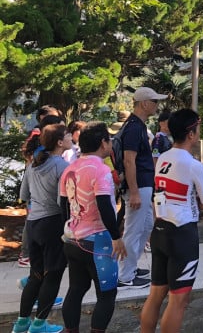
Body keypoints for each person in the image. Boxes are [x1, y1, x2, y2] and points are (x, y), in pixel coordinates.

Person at [140, 109, 203, 333]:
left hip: (160, 230)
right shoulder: (194, 164)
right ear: (191, 134)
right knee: (178, 301)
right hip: (182, 235)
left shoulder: (162, 157)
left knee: (155, 295)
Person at [59, 122, 127, 333]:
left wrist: (69, 229)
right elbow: (105, 205)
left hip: (72, 239)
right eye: (109, 139)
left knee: (76, 290)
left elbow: (64, 206)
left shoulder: (69, 169)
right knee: (107, 294)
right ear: (102, 143)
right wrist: (116, 237)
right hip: (97, 242)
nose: (111, 144)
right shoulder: (101, 169)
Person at [13, 124, 71, 333]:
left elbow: (24, 195)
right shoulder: (62, 166)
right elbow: (63, 200)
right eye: (67, 135)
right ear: (59, 142)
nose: (71, 137)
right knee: (53, 274)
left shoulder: (33, 164)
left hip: (34, 223)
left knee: (36, 274)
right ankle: (39, 324)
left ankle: (21, 323)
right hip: (52, 222)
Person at [117, 86, 167, 290]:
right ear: (144, 103)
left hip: (145, 184)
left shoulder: (135, 125)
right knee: (134, 230)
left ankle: (131, 267)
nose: (157, 105)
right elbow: (129, 161)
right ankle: (125, 276)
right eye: (154, 101)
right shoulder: (134, 128)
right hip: (139, 185)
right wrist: (135, 191)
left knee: (145, 227)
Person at [18, 106, 62, 269]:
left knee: (39, 270)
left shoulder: (38, 158)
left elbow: (25, 192)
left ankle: (29, 258)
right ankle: (26, 254)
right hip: (49, 213)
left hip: (36, 208)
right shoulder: (56, 162)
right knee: (51, 268)